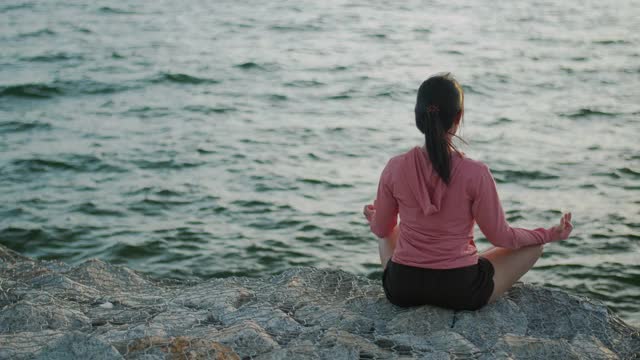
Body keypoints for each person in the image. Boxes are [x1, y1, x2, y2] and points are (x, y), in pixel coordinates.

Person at [363, 73, 573, 310]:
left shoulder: (395, 167)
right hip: (460, 290)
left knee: (389, 229)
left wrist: (376, 215)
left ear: (417, 117)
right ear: (458, 117)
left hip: (402, 289)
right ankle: (463, 259)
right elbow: (501, 237)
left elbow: (381, 230)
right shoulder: (476, 173)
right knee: (534, 246)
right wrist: (548, 234)